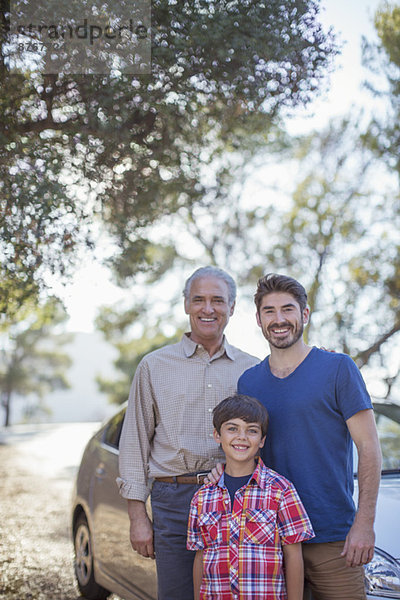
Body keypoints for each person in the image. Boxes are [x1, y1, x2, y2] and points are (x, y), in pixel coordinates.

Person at [235, 273, 382, 600]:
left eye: (288, 309)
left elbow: (370, 449)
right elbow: (245, 454)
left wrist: (364, 524)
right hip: (270, 540)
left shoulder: (338, 368)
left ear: (305, 314)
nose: (279, 319)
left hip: (333, 539)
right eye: (269, 311)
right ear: (258, 319)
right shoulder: (248, 383)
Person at [117, 266, 259, 600]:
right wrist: (138, 516)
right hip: (173, 499)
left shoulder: (253, 369)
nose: (208, 309)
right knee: (178, 593)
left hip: (237, 496)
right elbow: (134, 440)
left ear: (232, 307)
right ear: (185, 305)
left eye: (217, 301)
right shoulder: (154, 366)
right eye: (199, 300)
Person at [187, 394, 315, 600]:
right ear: (217, 435)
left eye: (252, 431)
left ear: (262, 440)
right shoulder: (202, 497)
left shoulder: (281, 490)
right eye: (232, 428)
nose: (242, 437)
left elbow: (293, 556)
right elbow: (200, 556)